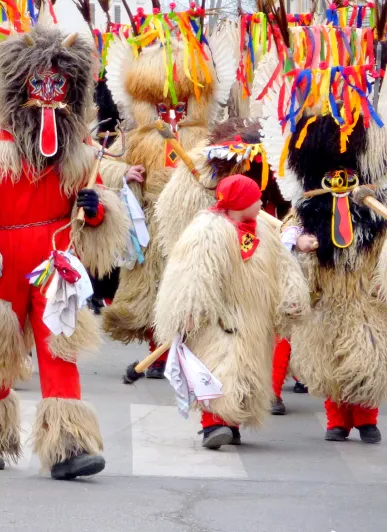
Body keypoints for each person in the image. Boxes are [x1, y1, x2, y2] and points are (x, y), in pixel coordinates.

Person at [0, 27, 130, 479]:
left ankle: (68, 445)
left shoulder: (76, 149)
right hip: (1, 262)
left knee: (60, 349)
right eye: (37, 85)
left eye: (57, 86)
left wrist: (95, 210)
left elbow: (86, 206)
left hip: (53, 264)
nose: (46, 96)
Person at [260, 18, 387, 445]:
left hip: (364, 291)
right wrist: (299, 242)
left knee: (367, 347)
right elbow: (285, 236)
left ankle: (367, 416)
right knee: (329, 353)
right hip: (326, 291)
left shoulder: (378, 203)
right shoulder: (307, 206)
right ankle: (337, 418)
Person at [99, 4, 238, 378]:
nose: (171, 111)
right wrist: (125, 171)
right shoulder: (138, 136)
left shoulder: (206, 136)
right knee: (153, 288)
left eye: (178, 102)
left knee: (192, 288)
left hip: (193, 224)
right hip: (149, 222)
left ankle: (188, 353)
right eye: (162, 104)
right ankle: (157, 354)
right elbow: (104, 162)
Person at [154, 175, 309, 449]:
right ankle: (213, 424)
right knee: (217, 368)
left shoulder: (263, 230)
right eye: (255, 198)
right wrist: (189, 308)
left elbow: (283, 265)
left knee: (247, 372)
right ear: (241, 203)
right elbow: (192, 273)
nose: (261, 202)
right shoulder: (206, 231)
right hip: (219, 317)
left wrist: (291, 296)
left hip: (254, 317)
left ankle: (232, 423)